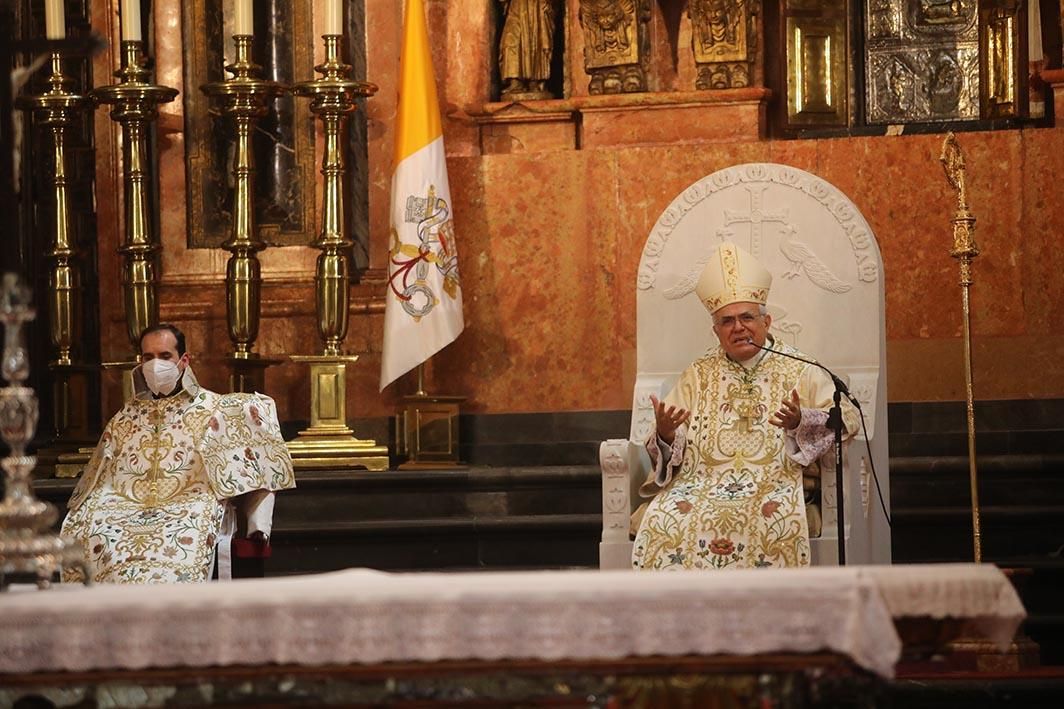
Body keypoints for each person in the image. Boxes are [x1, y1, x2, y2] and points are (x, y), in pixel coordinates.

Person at [631, 242, 858, 570]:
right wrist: (665, 432)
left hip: (774, 488)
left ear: (767, 322)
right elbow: (668, 439)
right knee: (666, 520)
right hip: (701, 490)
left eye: (746, 317)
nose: (738, 327)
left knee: (770, 525)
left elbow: (846, 420)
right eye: (727, 321)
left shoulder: (802, 369)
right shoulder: (696, 375)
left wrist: (801, 421)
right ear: (716, 331)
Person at [61, 324, 295, 584]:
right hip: (123, 510)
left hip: (188, 509)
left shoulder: (215, 410)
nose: (154, 364)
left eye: (164, 356)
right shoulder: (126, 417)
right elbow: (101, 479)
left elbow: (254, 472)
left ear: (184, 360)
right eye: (147, 357)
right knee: (97, 536)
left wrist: (258, 525)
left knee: (178, 551)